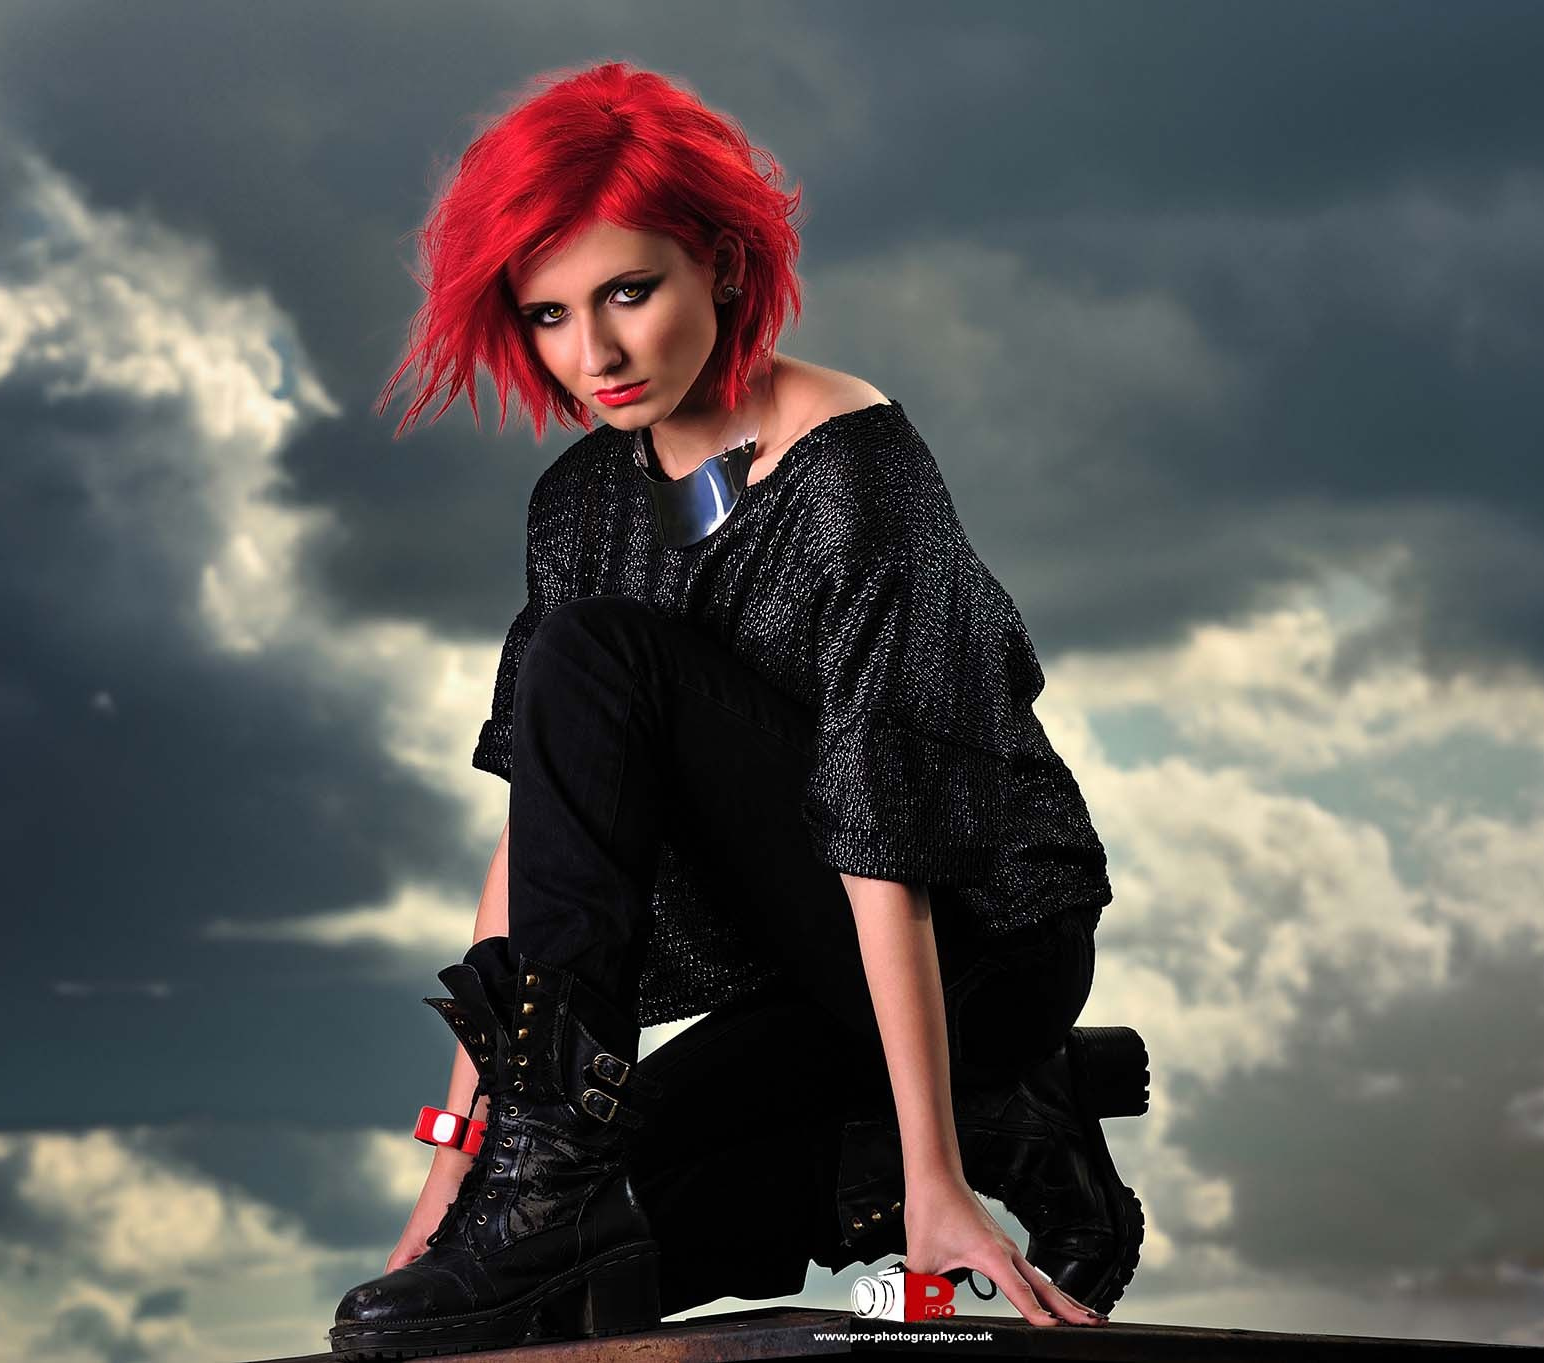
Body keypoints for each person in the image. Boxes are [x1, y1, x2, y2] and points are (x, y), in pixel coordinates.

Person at [328, 60, 1145, 1359]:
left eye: (628, 293)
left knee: (591, 652)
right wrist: (458, 1183)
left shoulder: (853, 472)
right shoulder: (581, 502)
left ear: (718, 263)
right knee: (594, 1273)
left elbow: (886, 836)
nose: (592, 355)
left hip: (970, 947)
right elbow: (538, 843)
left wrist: (934, 1184)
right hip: (804, 968)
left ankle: (970, 1100)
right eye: (548, 315)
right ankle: (1016, 1117)